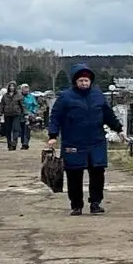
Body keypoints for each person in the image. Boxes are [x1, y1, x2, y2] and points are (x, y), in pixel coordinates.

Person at [47, 63, 123, 215]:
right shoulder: (65, 97)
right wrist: (53, 136)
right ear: (75, 81)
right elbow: (55, 117)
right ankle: (76, 205)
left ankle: (95, 203)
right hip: (73, 142)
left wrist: (119, 129)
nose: (84, 83)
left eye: (86, 81)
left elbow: (108, 115)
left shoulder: (98, 96)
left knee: (98, 173)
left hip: (96, 141)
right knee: (74, 175)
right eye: (81, 80)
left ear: (90, 81)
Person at [0, 84, 28, 150]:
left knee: (16, 129)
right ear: (8, 87)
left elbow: (23, 105)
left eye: (13, 86)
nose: (12, 87)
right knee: (8, 130)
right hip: (7, 114)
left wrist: (25, 113)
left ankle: (14, 144)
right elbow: (2, 105)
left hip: (16, 114)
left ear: (15, 87)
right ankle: (9, 144)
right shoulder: (5, 96)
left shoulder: (19, 95)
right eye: (10, 86)